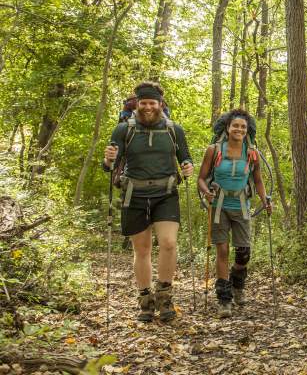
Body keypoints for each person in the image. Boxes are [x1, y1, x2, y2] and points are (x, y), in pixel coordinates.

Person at [103, 81, 193, 322]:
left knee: (169, 243)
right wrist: (108, 159)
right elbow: (110, 166)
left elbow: (185, 157)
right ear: (137, 105)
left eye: (152, 103)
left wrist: (188, 166)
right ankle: (145, 301)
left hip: (166, 194)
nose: (148, 107)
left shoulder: (175, 130)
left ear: (160, 105)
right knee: (141, 250)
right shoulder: (124, 129)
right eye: (143, 103)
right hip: (135, 194)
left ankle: (164, 297)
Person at [197, 108, 271, 317]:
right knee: (222, 251)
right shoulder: (214, 150)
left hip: (241, 207)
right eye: (235, 125)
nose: (239, 129)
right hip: (219, 206)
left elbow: (258, 180)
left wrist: (265, 200)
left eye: (243, 126)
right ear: (228, 128)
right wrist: (206, 193)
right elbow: (201, 178)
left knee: (243, 254)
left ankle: (238, 285)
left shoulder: (252, 152)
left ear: (247, 131)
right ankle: (224, 299)